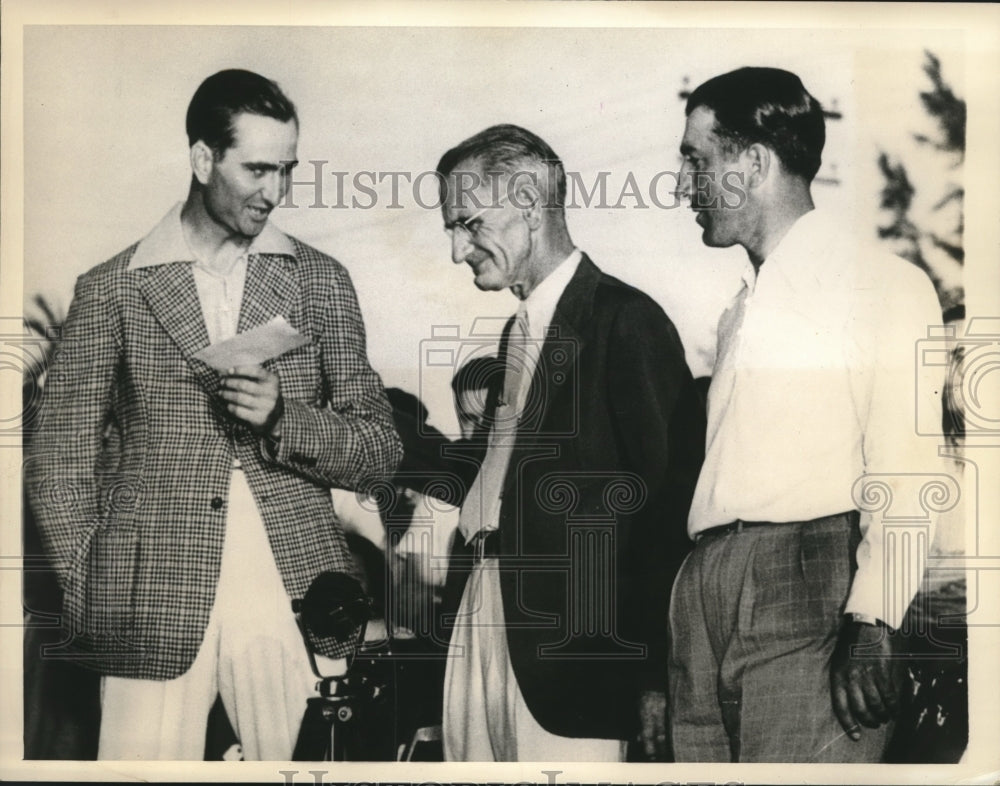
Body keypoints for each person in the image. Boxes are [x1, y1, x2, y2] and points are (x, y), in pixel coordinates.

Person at [24, 69, 402, 761]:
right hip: (145, 601)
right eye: (257, 168)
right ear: (202, 159)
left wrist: (286, 418)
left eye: (286, 169)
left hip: (296, 593)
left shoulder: (321, 280)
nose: (275, 191)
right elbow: (57, 463)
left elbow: (379, 448)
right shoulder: (112, 289)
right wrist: (95, 589)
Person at [668, 67, 945, 762]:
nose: (682, 185)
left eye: (696, 160)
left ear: (754, 161)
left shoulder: (882, 284)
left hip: (808, 587)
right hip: (707, 584)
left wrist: (875, 617)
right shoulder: (741, 310)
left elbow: (910, 464)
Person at [435, 124, 705, 762]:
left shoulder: (625, 320)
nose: (456, 249)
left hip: (573, 663)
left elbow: (668, 512)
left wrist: (650, 674)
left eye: (468, 223)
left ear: (529, 204)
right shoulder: (516, 335)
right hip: (483, 615)